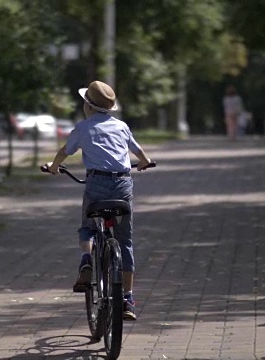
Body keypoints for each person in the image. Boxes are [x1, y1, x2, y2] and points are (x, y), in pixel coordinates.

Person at [47, 80, 152, 321]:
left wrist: (54, 167)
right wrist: (145, 162)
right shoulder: (122, 127)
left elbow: (65, 151)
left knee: (88, 227)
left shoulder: (83, 128)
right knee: (124, 239)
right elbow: (137, 151)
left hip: (96, 185)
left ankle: (86, 260)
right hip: (123, 185)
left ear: (89, 106)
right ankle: (128, 298)